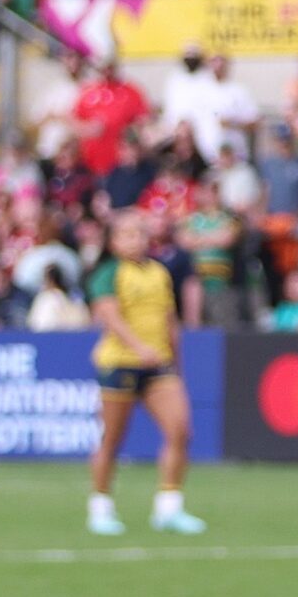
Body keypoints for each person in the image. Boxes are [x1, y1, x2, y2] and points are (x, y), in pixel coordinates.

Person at [85, 210, 205, 537]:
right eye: (127, 234)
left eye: (139, 234)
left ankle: (169, 507)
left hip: (159, 364)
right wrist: (139, 348)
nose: (135, 240)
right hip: (121, 363)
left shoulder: (158, 272)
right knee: (112, 439)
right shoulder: (109, 272)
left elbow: (169, 319)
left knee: (180, 429)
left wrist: (176, 360)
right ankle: (101, 507)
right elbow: (109, 315)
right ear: (113, 241)